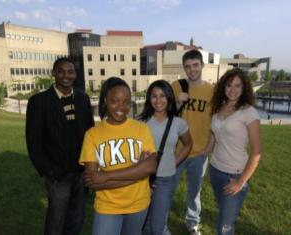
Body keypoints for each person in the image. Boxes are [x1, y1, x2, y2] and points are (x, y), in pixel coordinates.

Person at [79, 76, 157, 235]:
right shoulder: (92, 135)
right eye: (115, 100)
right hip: (107, 206)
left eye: (126, 101)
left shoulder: (142, 129)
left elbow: (151, 166)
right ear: (105, 100)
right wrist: (137, 173)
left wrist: (106, 176)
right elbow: (93, 182)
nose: (121, 106)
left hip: (138, 204)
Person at [26, 57, 95, 235]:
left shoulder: (82, 98)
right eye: (61, 71)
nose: (66, 75)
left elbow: (90, 133)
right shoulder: (39, 102)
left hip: (81, 172)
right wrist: (49, 171)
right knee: (56, 220)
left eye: (70, 72)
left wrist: (90, 165)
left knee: (77, 218)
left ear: (75, 75)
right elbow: (33, 142)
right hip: (57, 174)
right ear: (54, 73)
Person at [205, 68, 262, 235]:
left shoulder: (248, 112)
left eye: (237, 86)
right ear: (223, 86)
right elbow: (215, 135)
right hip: (216, 170)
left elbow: (257, 151)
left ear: (244, 88)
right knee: (224, 215)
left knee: (224, 226)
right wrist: (207, 157)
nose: (232, 90)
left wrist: (241, 181)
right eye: (229, 85)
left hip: (235, 175)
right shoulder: (219, 107)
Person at [167, 49, 213, 235]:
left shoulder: (211, 91)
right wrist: (178, 103)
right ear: (184, 68)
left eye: (195, 65)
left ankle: (192, 223)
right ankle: (161, 222)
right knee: (167, 189)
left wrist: (209, 148)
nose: (192, 70)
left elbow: (216, 122)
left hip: (199, 152)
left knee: (195, 192)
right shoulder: (176, 86)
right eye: (187, 66)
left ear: (202, 65)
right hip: (176, 151)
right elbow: (164, 115)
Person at [138, 80, 192, 235]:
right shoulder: (141, 122)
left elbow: (188, 145)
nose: (158, 100)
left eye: (162, 95)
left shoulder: (178, 123)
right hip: (142, 179)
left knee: (157, 226)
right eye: (154, 96)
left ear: (169, 97)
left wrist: (174, 162)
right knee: (144, 225)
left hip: (165, 180)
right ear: (149, 99)